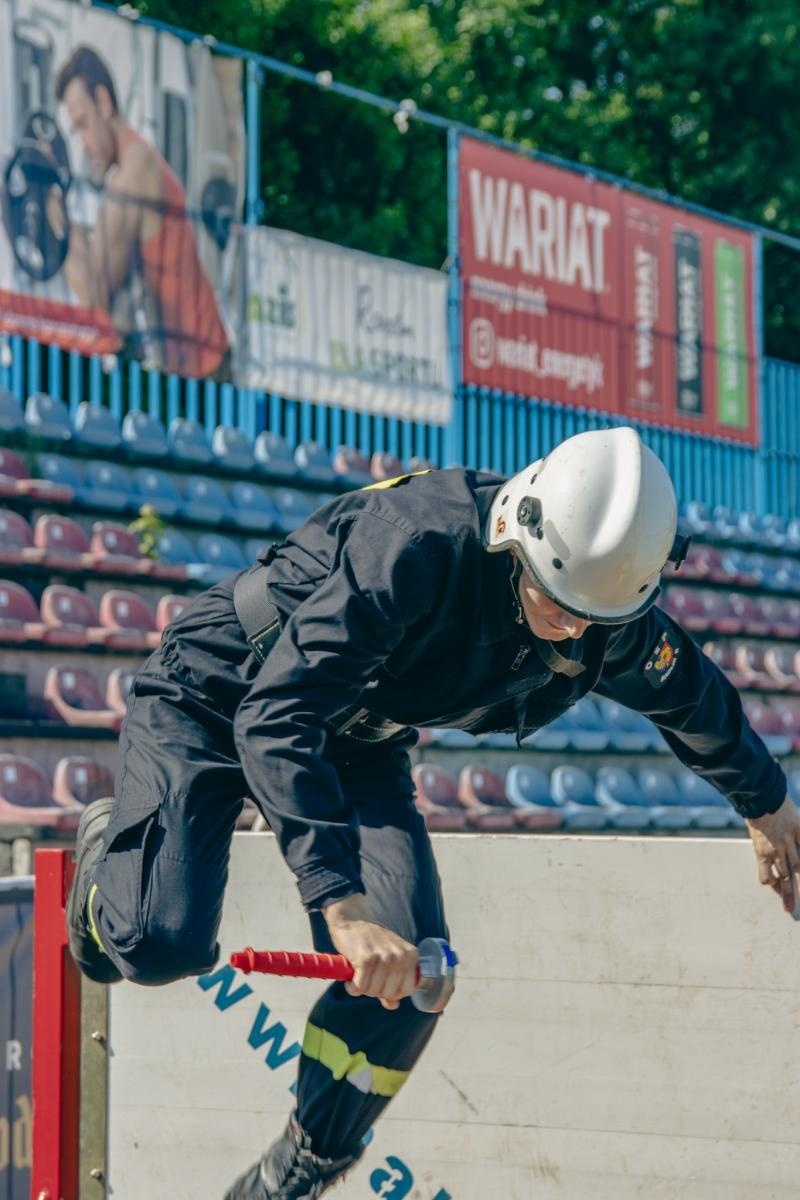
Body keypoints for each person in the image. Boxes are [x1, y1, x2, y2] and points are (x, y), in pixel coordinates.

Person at [65, 426, 800, 1199]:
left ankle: (301, 1165)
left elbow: (694, 698)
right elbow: (277, 717)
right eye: (557, 604)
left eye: (594, 617)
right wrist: (341, 907)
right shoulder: (415, 545)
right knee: (157, 945)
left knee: (415, 975)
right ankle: (103, 871)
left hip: (356, 737)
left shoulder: (601, 605)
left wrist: (770, 807)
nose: (575, 629)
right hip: (221, 691)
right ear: (518, 537)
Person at [52, 45, 230, 378]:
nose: (83, 144)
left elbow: (95, 296)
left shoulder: (132, 173)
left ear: (104, 103)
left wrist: (57, 223)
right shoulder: (135, 162)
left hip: (207, 373)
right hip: (194, 369)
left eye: (83, 125)